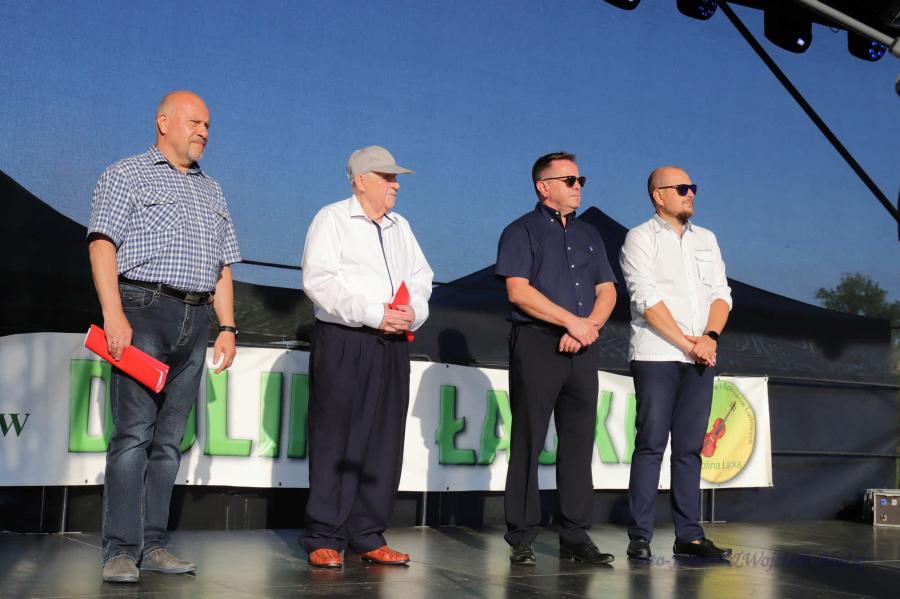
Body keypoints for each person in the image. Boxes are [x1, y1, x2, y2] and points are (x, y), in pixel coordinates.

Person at [87, 91, 241, 582]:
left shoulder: (213, 190)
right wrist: (113, 313)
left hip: (196, 320)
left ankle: (153, 545)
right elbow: (102, 245)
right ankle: (119, 549)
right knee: (134, 434)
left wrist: (228, 326)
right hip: (143, 310)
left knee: (170, 442)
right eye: (195, 122)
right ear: (163, 121)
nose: (203, 132)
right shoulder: (126, 174)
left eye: (208, 125)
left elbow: (222, 267)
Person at [299, 145, 433, 568]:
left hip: (393, 343)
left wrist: (413, 313)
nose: (395, 185)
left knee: (384, 438)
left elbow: (422, 278)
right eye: (386, 177)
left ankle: (368, 533)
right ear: (360, 180)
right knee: (335, 436)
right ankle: (325, 534)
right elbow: (319, 282)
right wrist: (375, 313)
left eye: (395, 178)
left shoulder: (400, 227)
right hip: (346, 339)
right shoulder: (332, 219)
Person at [495, 152, 617, 565]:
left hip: (583, 346)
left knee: (579, 441)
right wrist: (571, 323)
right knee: (528, 439)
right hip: (537, 343)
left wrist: (587, 328)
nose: (578, 186)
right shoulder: (520, 231)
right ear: (543, 187)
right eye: (569, 180)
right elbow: (518, 291)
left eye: (580, 179)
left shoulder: (590, 234)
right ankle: (522, 535)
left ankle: (575, 535)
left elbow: (607, 290)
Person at [619, 166, 733, 560]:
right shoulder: (640, 237)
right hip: (657, 355)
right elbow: (645, 299)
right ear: (658, 195)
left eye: (692, 187)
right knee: (651, 444)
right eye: (682, 188)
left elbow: (721, 294)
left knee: (689, 448)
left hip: (701, 355)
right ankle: (640, 535)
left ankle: (689, 536)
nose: (690, 193)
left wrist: (710, 337)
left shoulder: (707, 239)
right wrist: (689, 343)